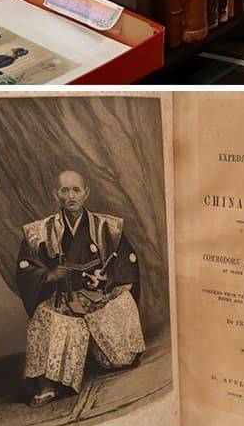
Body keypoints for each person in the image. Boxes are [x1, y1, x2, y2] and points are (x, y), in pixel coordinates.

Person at [16, 169, 146, 406]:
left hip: (100, 297)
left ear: (86, 192)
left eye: (76, 190)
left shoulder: (108, 227)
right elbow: (25, 267)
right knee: (45, 316)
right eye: (64, 190)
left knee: (123, 305)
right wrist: (49, 275)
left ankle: (112, 353)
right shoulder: (40, 232)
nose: (71, 196)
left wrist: (113, 284)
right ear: (56, 194)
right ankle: (49, 384)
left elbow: (126, 263)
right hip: (65, 299)